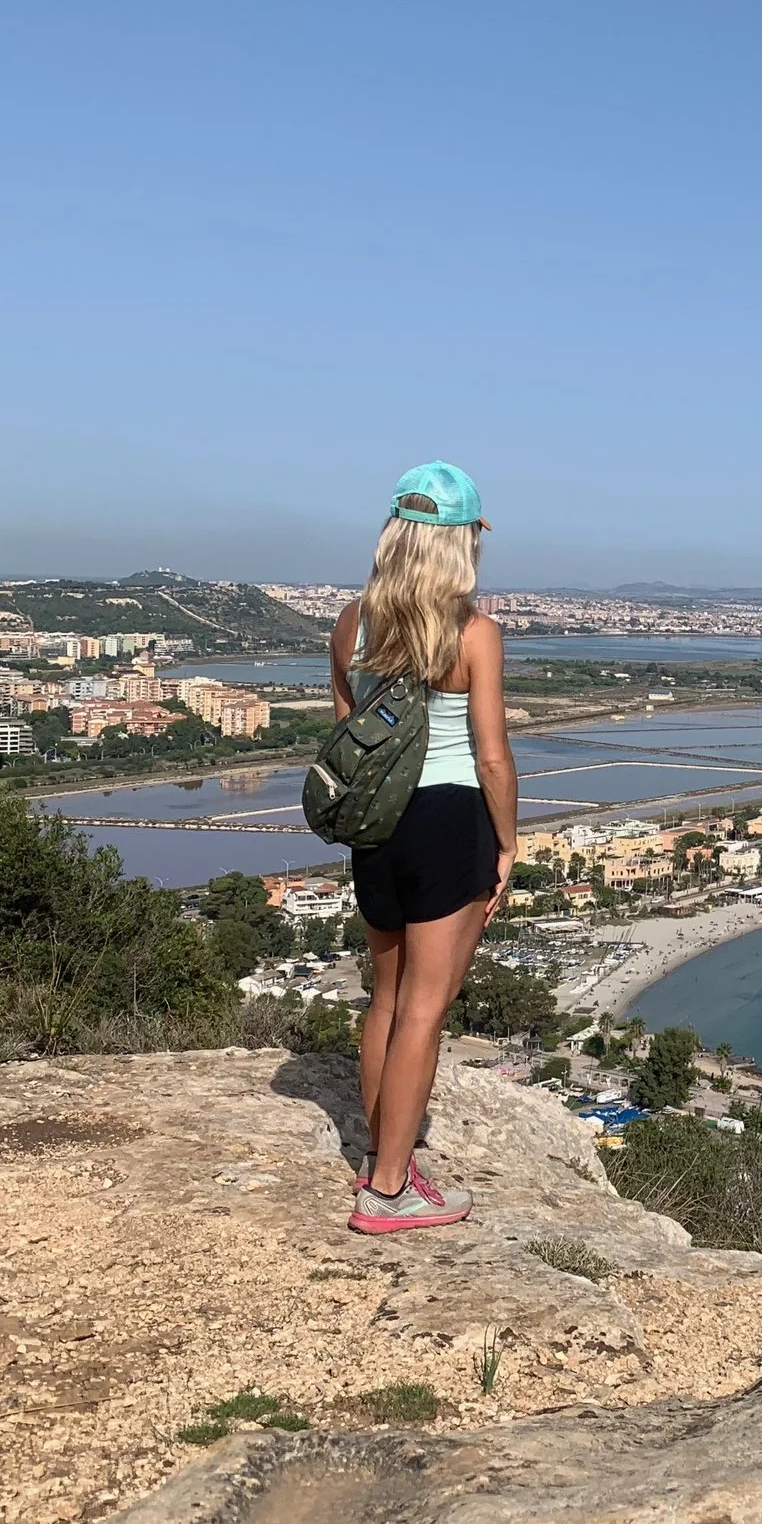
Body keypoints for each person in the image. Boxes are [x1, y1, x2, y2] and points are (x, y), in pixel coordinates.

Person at [330, 462, 518, 1234]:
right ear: (460, 544)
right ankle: (389, 1187)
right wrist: (507, 843)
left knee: (386, 999)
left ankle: (383, 1153)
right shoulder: (473, 633)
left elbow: (347, 737)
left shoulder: (350, 624)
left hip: (376, 824)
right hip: (447, 822)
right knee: (425, 1011)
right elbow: (492, 755)